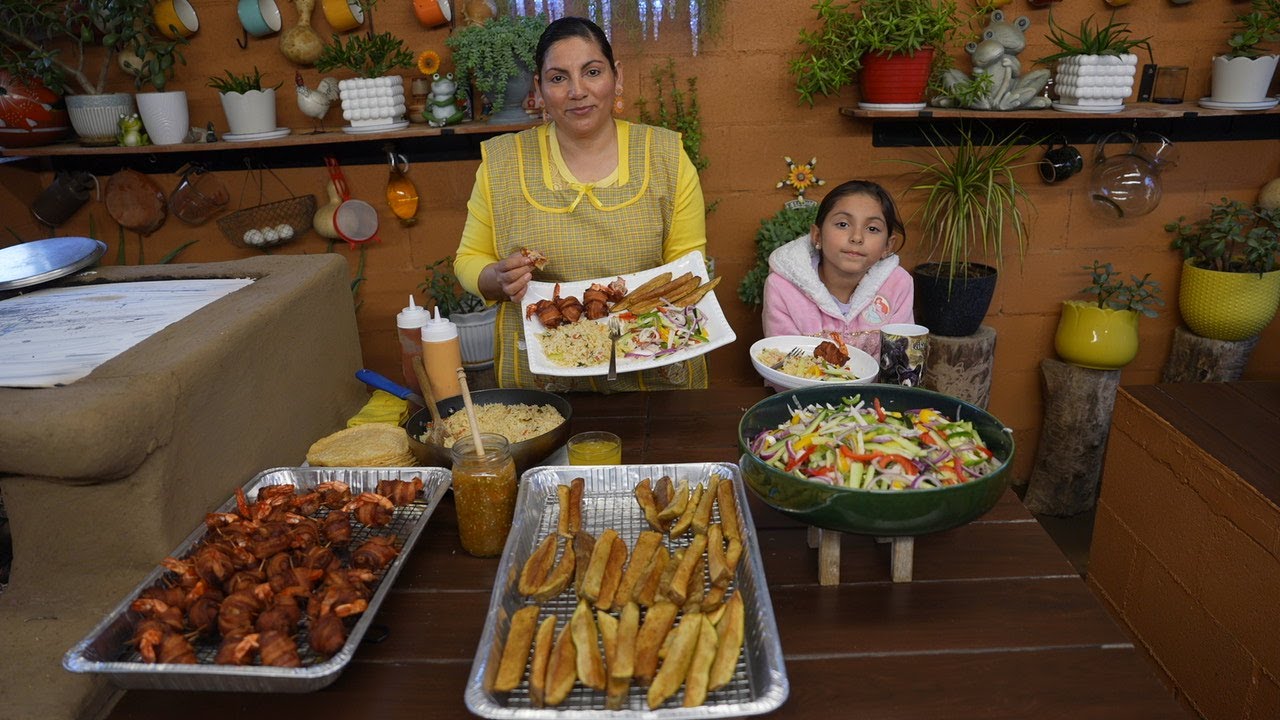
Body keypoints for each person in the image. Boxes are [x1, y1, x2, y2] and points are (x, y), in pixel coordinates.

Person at [453, 16, 709, 392]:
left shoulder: (665, 157)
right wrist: (497, 278)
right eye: (558, 78)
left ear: (616, 77)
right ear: (538, 90)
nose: (577, 90)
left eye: (592, 71)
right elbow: (469, 258)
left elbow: (688, 268)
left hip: (651, 364)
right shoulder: (504, 163)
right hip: (542, 376)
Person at [761, 180, 914, 357]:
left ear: (887, 245)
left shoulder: (898, 284)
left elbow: (899, 360)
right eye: (843, 224)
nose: (857, 237)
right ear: (817, 235)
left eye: (872, 228)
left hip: (876, 386)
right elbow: (781, 361)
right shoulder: (782, 287)